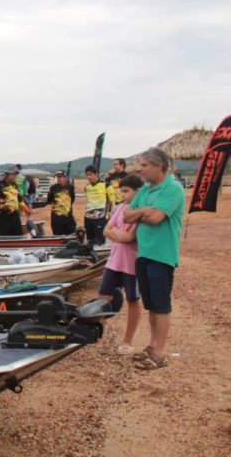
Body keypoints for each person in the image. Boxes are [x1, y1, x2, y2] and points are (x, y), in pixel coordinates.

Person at [124, 148, 185, 370]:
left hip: (162, 255)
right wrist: (144, 211)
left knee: (161, 306)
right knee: (151, 305)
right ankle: (152, 345)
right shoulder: (146, 189)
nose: (140, 170)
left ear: (158, 166)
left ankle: (160, 353)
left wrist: (142, 212)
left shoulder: (173, 189)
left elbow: (156, 218)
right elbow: (126, 215)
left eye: (144, 166)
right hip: (144, 254)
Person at [99, 174, 144, 355]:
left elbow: (129, 238)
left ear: (137, 191)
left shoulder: (139, 212)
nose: (123, 195)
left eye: (126, 191)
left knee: (133, 300)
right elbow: (105, 230)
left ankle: (128, 340)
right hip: (114, 261)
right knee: (103, 297)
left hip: (131, 263)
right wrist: (116, 234)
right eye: (121, 191)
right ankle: (98, 336)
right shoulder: (120, 209)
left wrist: (114, 232)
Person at [0, 166, 31, 235]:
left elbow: (19, 199)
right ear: (8, 174)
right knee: (5, 235)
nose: (15, 177)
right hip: (2, 215)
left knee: (18, 234)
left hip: (15, 215)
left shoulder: (15, 185)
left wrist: (25, 208)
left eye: (16, 175)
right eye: (14, 174)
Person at [84, 164, 107, 245]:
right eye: (87, 174)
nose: (88, 177)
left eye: (90, 174)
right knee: (90, 241)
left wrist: (108, 214)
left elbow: (111, 200)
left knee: (99, 241)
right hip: (88, 217)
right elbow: (88, 201)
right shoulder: (87, 187)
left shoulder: (105, 185)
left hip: (100, 217)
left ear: (96, 174)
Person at [47, 170, 76, 235]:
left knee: (71, 236)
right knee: (58, 238)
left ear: (65, 177)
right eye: (57, 177)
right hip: (56, 219)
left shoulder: (71, 187)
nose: (59, 179)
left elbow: (72, 200)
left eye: (60, 177)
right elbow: (49, 200)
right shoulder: (53, 188)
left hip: (68, 217)